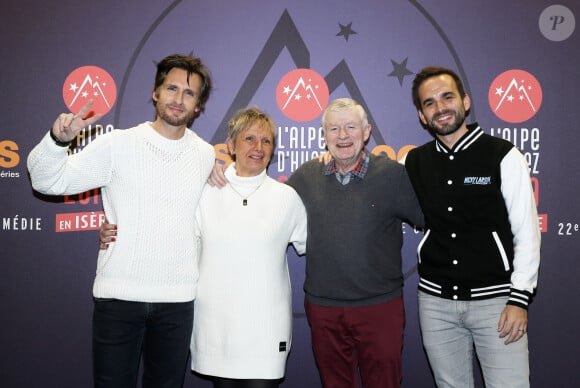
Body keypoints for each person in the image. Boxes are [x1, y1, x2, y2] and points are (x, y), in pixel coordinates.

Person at [27, 54, 216, 388]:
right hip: (118, 300)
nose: (178, 99)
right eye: (171, 88)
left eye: (189, 93)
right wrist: (58, 141)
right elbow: (47, 181)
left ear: (198, 105)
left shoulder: (204, 154)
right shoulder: (117, 144)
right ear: (156, 92)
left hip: (178, 302)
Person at [209, 98, 423, 387]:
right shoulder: (307, 176)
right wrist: (216, 172)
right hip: (324, 309)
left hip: (380, 306)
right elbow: (262, 199)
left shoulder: (393, 175)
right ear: (324, 136)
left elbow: (432, 218)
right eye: (334, 129)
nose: (343, 136)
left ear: (367, 131)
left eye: (350, 127)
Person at [100, 107, 308, 388]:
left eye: (266, 141)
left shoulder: (287, 198)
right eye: (249, 139)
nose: (258, 147)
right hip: (214, 325)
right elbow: (165, 230)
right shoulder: (205, 192)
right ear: (231, 145)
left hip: (266, 328)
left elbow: (316, 246)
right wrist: (115, 231)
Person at [404, 66, 541, 388]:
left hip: (497, 303)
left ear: (466, 102)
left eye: (447, 97)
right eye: (429, 103)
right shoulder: (414, 162)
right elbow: (375, 183)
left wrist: (519, 298)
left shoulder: (503, 155)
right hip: (436, 304)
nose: (440, 108)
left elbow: (527, 232)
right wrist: (334, 161)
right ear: (422, 116)